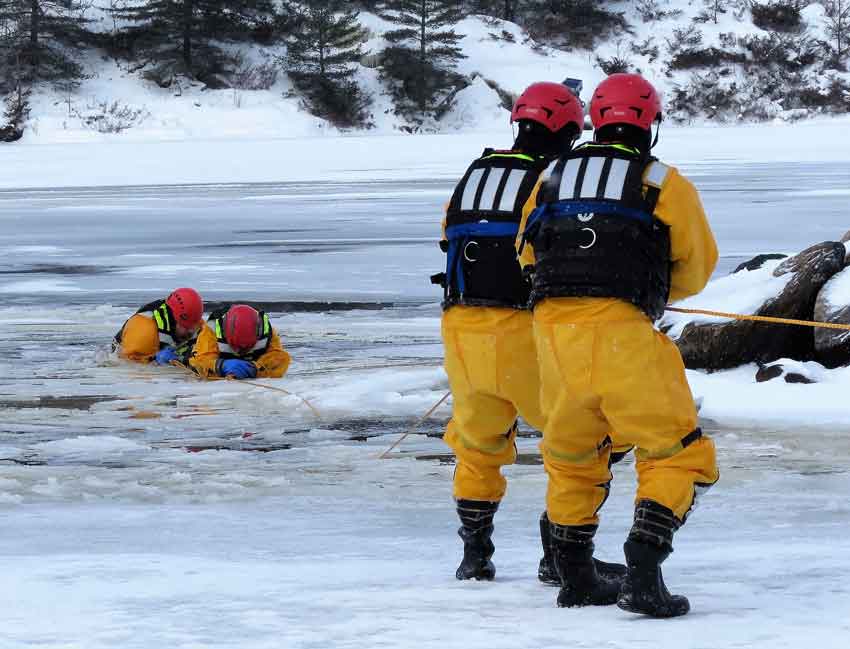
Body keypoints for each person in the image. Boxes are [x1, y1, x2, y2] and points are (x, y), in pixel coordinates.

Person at [517, 73, 719, 616]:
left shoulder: (552, 176)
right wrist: (645, 289)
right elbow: (697, 269)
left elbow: (527, 254)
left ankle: (576, 575)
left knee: (571, 457)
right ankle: (644, 568)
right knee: (677, 451)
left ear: (596, 121)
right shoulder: (662, 181)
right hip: (623, 335)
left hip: (553, 339)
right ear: (650, 123)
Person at [434, 81, 589, 582]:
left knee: (476, 445)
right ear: (565, 130)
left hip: (460, 330)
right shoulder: (554, 177)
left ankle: (475, 556)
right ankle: (557, 556)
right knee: (574, 438)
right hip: (523, 331)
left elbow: (447, 235)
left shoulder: (475, 172)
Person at [189, 304, 291, 380]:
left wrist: (255, 368)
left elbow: (281, 359)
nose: (240, 352)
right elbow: (198, 362)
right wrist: (220, 365)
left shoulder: (266, 331)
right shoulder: (211, 330)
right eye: (236, 348)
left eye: (246, 348)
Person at [113, 287, 205, 365]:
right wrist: (154, 361)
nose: (191, 331)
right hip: (132, 354)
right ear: (173, 318)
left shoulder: (191, 319)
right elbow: (125, 366)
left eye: (194, 325)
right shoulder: (146, 331)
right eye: (186, 327)